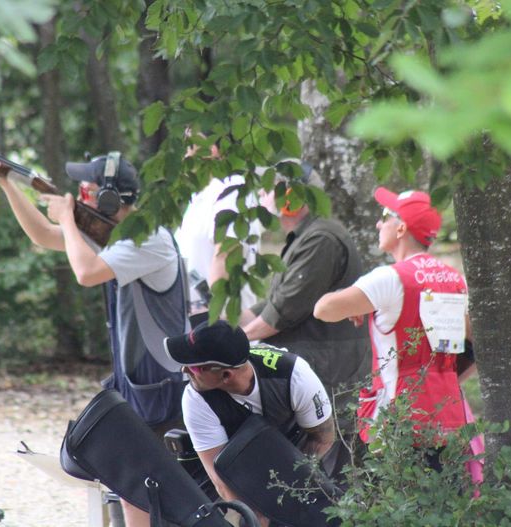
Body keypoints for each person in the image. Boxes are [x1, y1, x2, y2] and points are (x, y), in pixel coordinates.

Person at [0, 153, 188, 527]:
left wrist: (69, 219)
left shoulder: (147, 238)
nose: (78, 196)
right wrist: (6, 183)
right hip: (141, 387)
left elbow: (85, 272)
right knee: (133, 489)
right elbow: (43, 235)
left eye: (85, 190)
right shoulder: (122, 238)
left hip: (160, 390)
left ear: (107, 199)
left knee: (144, 491)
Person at [313, 187, 471, 455]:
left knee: (387, 495)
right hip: (448, 417)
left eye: (386, 215)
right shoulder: (455, 279)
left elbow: (323, 309)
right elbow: (474, 346)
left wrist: (351, 298)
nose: (379, 222)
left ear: (401, 228)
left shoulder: (389, 278)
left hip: (397, 421)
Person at [239, 160, 370, 434]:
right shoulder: (306, 237)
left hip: (328, 376)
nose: (261, 196)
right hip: (318, 371)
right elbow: (273, 304)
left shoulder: (320, 240)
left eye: (268, 189)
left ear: (291, 197)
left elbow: (282, 313)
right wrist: (223, 321)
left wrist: (233, 343)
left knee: (326, 468)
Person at [164, 320, 336, 527]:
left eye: (194, 367)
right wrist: (255, 518)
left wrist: (293, 488)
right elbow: (220, 478)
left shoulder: (294, 375)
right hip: (238, 470)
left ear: (226, 374)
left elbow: (322, 438)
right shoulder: (195, 399)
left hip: (297, 455)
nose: (184, 370)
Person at [175, 136, 262, 324]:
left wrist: (211, 322)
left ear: (212, 149)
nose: (185, 153)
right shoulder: (200, 196)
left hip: (219, 331)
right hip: (192, 328)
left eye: (190, 145)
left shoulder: (233, 189)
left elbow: (224, 256)